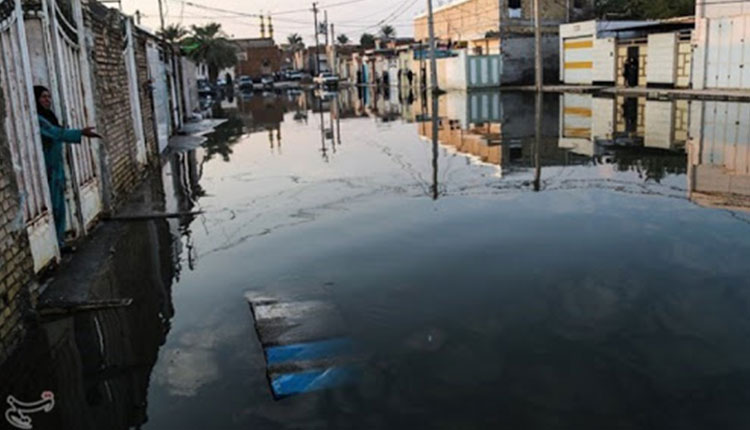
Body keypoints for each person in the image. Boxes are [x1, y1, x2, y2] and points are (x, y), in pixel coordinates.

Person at [33, 86, 99, 249]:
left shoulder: (48, 117)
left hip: (56, 169)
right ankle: (55, 245)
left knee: (59, 207)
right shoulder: (38, 119)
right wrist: (81, 133)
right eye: (43, 97)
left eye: (49, 97)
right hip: (46, 170)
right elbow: (56, 133)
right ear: (36, 99)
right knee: (52, 209)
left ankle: (60, 242)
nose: (47, 100)